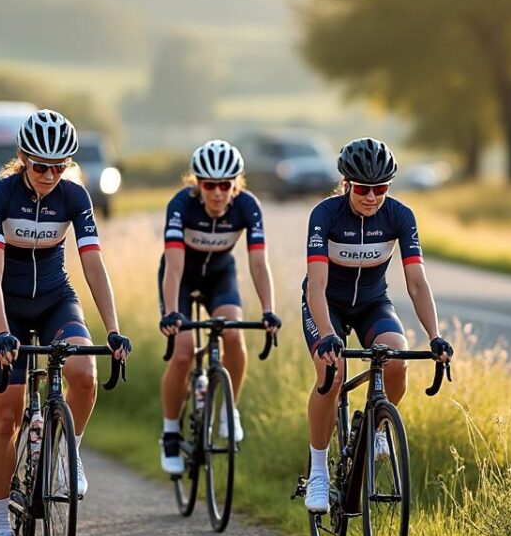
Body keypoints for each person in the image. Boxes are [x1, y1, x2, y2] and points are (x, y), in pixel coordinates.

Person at [0, 109, 131, 536]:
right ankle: (0, 524)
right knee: (6, 417)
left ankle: (69, 456)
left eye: (59, 166)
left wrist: (113, 327)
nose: (49, 175)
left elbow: (92, 264)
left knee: (84, 373)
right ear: (23, 159)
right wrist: (2, 331)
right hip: (6, 302)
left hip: (54, 299)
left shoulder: (74, 196)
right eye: (40, 165)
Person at [300, 138, 453, 515]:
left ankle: (377, 427)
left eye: (380, 188)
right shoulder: (326, 214)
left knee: (396, 359)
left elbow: (416, 282)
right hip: (327, 304)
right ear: (347, 184)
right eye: (364, 189)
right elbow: (316, 284)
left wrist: (435, 336)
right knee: (331, 374)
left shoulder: (400, 216)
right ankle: (318, 470)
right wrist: (327, 336)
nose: (372, 197)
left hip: (372, 303)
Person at [157, 140, 279, 475]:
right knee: (182, 353)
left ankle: (228, 411)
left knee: (235, 338)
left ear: (235, 185)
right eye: (209, 185)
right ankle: (169, 433)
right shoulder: (181, 204)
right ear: (197, 184)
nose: (217, 193)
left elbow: (258, 263)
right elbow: (174, 266)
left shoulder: (248, 206)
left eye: (225, 185)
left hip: (220, 277)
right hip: (180, 277)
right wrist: (171, 313)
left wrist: (268, 309)